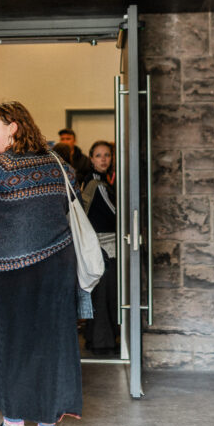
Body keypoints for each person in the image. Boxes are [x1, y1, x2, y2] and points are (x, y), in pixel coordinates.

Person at [0, 101, 84, 426]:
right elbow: (73, 191)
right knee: (53, 345)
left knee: (11, 346)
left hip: (14, 271)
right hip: (59, 266)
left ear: (13, 128)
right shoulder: (58, 163)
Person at [81, 140, 119, 355]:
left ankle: (95, 338)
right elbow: (116, 214)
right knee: (105, 293)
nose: (103, 159)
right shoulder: (98, 184)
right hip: (105, 247)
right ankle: (103, 342)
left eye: (107, 155)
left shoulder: (94, 180)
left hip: (98, 247)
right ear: (91, 158)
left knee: (100, 294)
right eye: (98, 155)